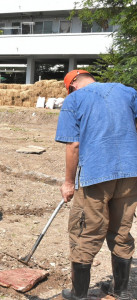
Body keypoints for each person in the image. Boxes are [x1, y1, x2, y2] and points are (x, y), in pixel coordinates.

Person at [55, 69, 137, 300]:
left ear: (72, 86)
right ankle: (119, 293)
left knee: (85, 233)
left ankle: (79, 295)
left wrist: (69, 182)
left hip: (96, 175)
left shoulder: (74, 100)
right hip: (131, 173)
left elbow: (73, 146)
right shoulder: (127, 91)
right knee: (122, 232)